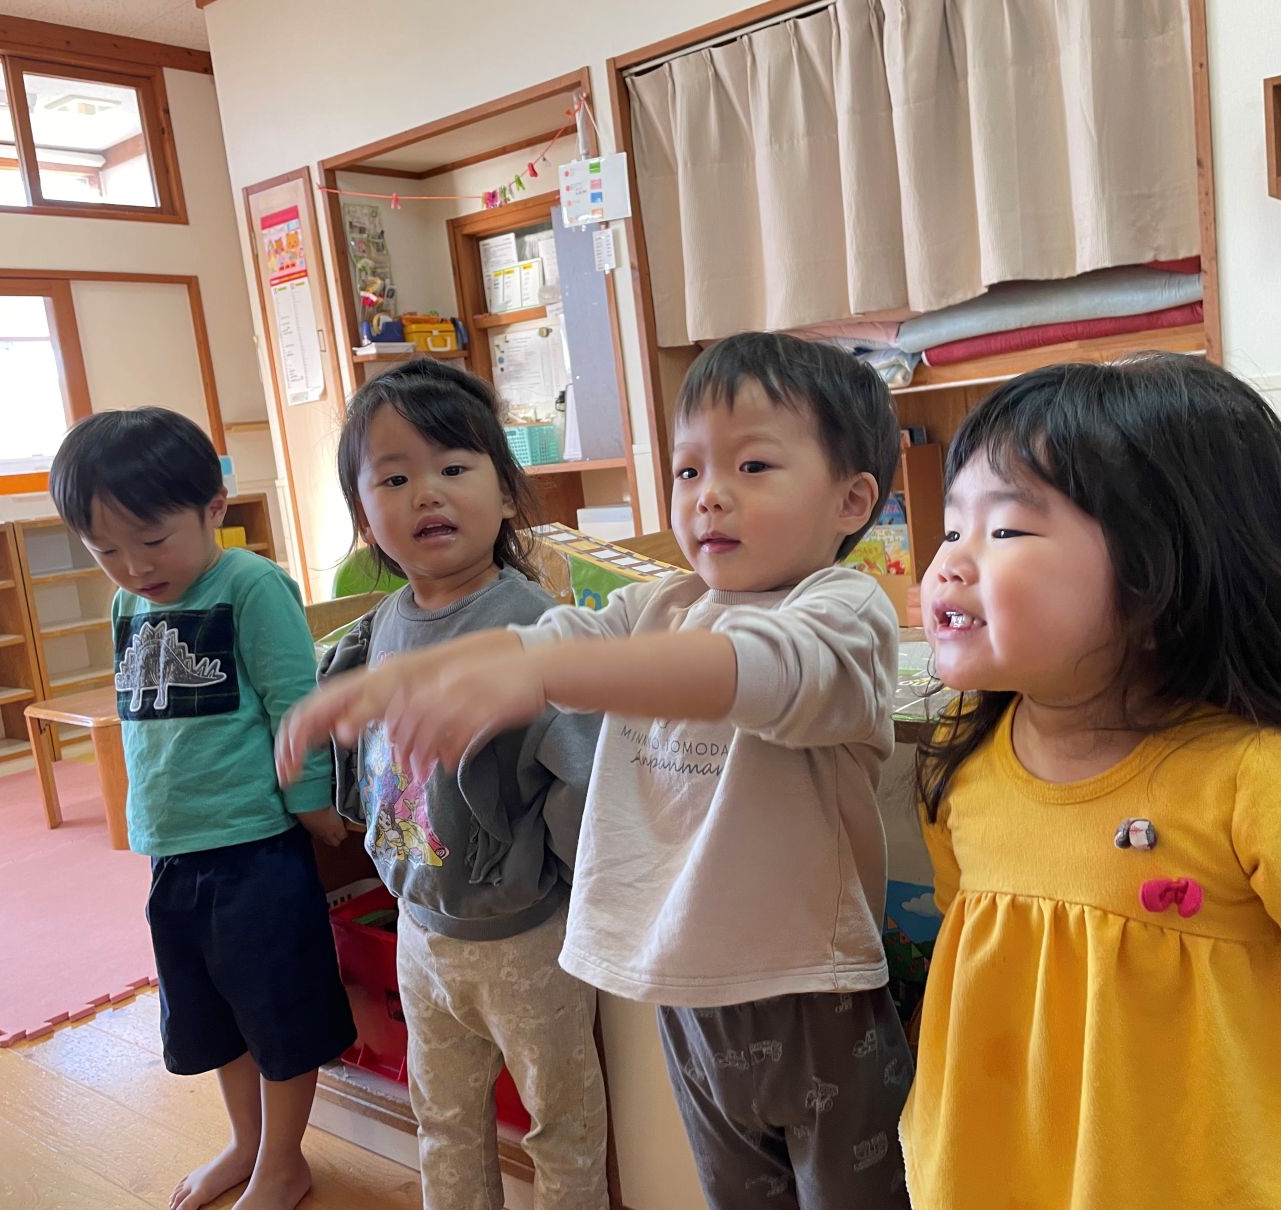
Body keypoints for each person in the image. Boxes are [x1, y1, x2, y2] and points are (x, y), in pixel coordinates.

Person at [280, 332, 915, 1209]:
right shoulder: (666, 601)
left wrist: (535, 674)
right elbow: (555, 637)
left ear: (850, 500)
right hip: (684, 989)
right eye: (688, 470)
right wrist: (407, 674)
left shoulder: (841, 609)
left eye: (753, 466)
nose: (708, 494)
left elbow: (757, 670)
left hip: (812, 991)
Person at [902, 354, 1281, 1210]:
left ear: (1158, 585)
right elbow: (979, 960)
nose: (948, 563)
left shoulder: (1266, 787)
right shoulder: (960, 756)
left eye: (1008, 531)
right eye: (953, 528)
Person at [50, 408, 354, 1210]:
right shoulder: (129, 605)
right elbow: (144, 725)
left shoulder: (249, 585)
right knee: (212, 1014)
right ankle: (246, 1144)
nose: (133, 566)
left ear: (213, 507)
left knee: (279, 1013)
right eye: (105, 550)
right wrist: (144, 820)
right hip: (173, 849)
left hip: (254, 847)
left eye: (153, 540)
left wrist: (312, 804)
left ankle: (284, 1161)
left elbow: (295, 703)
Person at [323, 360, 607, 1210]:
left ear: (507, 492)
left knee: (562, 1125)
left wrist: (574, 890)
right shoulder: (382, 623)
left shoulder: (529, 622)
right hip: (419, 925)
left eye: (453, 467)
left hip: (526, 937)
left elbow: (582, 772)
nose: (426, 494)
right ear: (364, 518)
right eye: (393, 479)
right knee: (441, 1118)